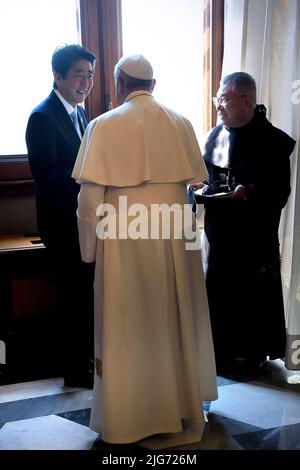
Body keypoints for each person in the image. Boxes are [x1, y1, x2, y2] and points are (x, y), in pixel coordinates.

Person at [72, 54, 217, 443]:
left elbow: (89, 204)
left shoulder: (102, 125)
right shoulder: (182, 123)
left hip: (123, 242)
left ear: (119, 84)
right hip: (174, 236)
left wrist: (89, 253)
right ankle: (179, 407)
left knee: (128, 323)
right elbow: (193, 186)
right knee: (172, 319)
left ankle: (129, 416)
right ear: (152, 85)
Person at [191, 72, 295, 372]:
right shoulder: (213, 136)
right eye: (216, 99)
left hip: (253, 237)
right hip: (219, 234)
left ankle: (253, 351)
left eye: (223, 100)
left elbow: (279, 192)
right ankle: (219, 350)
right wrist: (201, 189)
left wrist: (247, 192)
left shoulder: (273, 142)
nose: (218, 107)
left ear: (246, 100)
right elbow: (209, 181)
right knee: (217, 290)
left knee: (252, 295)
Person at [25, 44, 97, 388]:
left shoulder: (82, 115)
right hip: (59, 222)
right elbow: (47, 175)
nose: (86, 82)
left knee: (85, 294)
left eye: (90, 75)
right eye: (79, 74)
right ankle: (74, 371)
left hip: (82, 220)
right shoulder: (42, 117)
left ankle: (86, 362)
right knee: (72, 296)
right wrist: (90, 179)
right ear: (58, 77)